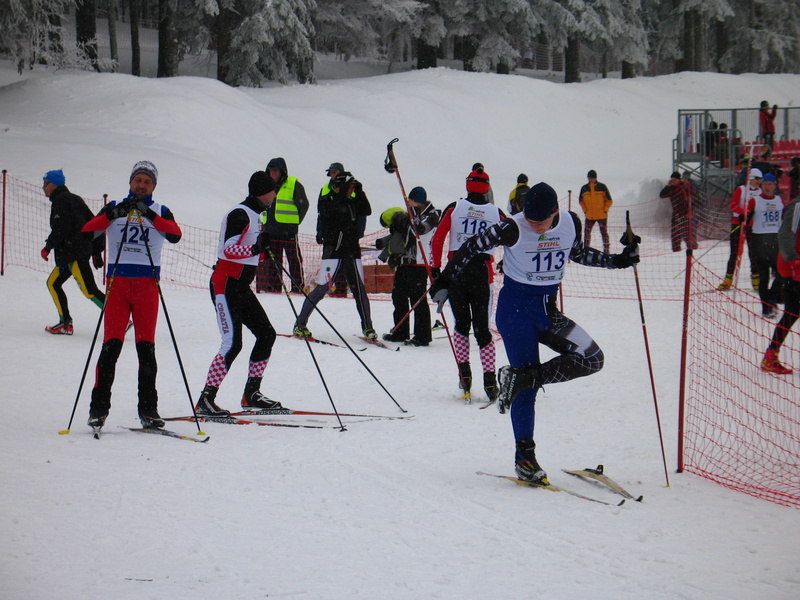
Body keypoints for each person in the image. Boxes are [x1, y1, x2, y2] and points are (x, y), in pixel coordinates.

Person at [428, 182, 640, 484]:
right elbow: (471, 246)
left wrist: (618, 260)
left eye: (540, 221)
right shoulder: (512, 227)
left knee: (592, 358)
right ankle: (525, 459)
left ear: (555, 212)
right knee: (526, 391)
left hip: (547, 312)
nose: (534, 226)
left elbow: (578, 253)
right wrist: (445, 281)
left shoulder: (570, 222)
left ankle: (522, 378)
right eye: (530, 219)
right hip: (515, 314)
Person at [81, 161, 182, 431]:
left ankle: (148, 410)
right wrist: (114, 214)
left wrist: (149, 215)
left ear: (153, 186)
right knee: (110, 348)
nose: (141, 185)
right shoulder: (115, 206)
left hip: (147, 286)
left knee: (146, 350)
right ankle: (98, 409)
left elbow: (175, 235)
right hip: (117, 285)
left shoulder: (161, 210)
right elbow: (88, 230)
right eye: (138, 180)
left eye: (147, 182)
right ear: (130, 182)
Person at [195, 171, 282, 417]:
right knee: (232, 343)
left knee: (266, 334)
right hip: (225, 285)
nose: (275, 195)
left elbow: (249, 252)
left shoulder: (256, 215)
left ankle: (251, 393)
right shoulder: (240, 213)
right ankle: (206, 399)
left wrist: (262, 251)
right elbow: (228, 249)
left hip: (241, 287)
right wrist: (255, 248)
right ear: (264, 192)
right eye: (273, 190)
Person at [430, 167, 504, 400]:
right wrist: (509, 264)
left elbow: (437, 239)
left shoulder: (456, 207)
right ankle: (490, 382)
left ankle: (465, 376)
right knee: (482, 329)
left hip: (457, 273)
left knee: (461, 325)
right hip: (483, 274)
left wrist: (435, 268)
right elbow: (514, 238)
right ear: (487, 187)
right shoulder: (496, 212)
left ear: (467, 185)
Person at [293, 171, 376, 340]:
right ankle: (300, 323)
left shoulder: (351, 200)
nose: (352, 189)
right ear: (343, 186)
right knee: (322, 288)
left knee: (359, 291)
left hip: (352, 252)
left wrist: (360, 192)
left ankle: (368, 327)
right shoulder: (328, 200)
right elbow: (330, 220)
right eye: (350, 186)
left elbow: (366, 210)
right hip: (334, 252)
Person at [40, 169, 105, 334]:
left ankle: (120, 319)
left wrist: (47, 247)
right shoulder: (75, 199)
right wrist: (97, 251)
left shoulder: (61, 201)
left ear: (55, 185)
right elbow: (95, 223)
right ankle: (65, 323)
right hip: (70, 254)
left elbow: (61, 229)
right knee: (53, 283)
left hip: (74, 254)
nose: (44, 187)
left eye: (46, 183)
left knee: (89, 291)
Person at [378, 186, 440, 346]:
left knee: (417, 299)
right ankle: (400, 331)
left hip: (419, 262)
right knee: (398, 296)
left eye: (410, 200)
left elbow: (420, 229)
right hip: (404, 261)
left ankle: (422, 336)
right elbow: (403, 233)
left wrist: (407, 221)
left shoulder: (432, 215)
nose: (408, 203)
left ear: (418, 200)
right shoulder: (411, 213)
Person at [256, 157, 309, 293]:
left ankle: (297, 288)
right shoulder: (266, 186)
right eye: (270, 170)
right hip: (271, 231)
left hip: (288, 231)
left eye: (275, 170)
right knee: (274, 261)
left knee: (294, 260)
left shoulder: (293, 184)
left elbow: (303, 205)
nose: (273, 173)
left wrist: (295, 222)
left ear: (282, 171)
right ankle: (274, 288)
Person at [761, 193, 800, 374]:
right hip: (795, 268)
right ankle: (770, 356)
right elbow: (785, 235)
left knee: (792, 313)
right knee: (792, 313)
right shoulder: (797, 206)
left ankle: (770, 356)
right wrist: (793, 260)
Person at [746, 173, 784, 318]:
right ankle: (766, 308)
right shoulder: (755, 200)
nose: (767, 187)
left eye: (770, 184)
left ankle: (772, 298)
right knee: (764, 276)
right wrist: (745, 219)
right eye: (765, 184)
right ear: (762, 185)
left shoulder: (779, 200)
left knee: (781, 274)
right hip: (760, 239)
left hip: (776, 239)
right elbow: (747, 218)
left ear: (774, 185)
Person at [719, 168, 763, 291]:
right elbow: (733, 205)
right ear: (751, 178)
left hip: (752, 226)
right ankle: (728, 280)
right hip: (738, 224)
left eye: (760, 179)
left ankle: (756, 280)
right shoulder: (741, 189)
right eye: (756, 179)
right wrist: (742, 212)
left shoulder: (760, 191)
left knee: (753, 254)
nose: (758, 181)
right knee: (734, 253)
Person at [321, 162, 350, 298]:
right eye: (331, 172)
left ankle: (341, 288)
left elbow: (360, 211)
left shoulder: (351, 186)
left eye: (334, 172)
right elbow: (320, 213)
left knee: (342, 262)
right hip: (329, 231)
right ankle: (325, 287)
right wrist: (319, 231)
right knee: (327, 260)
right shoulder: (325, 189)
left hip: (345, 231)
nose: (332, 175)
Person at [659, 171, 698, 252]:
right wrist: (668, 186)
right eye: (672, 179)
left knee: (688, 235)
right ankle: (676, 251)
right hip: (676, 214)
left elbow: (693, 197)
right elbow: (662, 195)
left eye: (674, 179)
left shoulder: (685, 186)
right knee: (675, 235)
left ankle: (693, 250)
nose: (673, 181)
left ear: (678, 179)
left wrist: (691, 211)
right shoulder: (671, 188)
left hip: (687, 213)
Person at [578, 169, 613, 253]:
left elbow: (609, 200)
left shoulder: (602, 187)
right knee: (587, 233)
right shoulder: (584, 188)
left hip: (602, 216)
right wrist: (585, 211)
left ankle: (606, 250)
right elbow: (581, 201)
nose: (591, 179)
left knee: (604, 233)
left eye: (592, 178)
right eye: (589, 178)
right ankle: (586, 250)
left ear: (595, 178)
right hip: (589, 216)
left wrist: (605, 210)